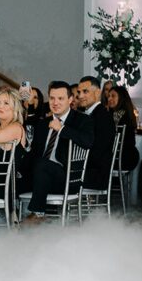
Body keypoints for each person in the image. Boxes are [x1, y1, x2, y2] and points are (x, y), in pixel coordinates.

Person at [21, 80, 94, 224]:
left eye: (60, 98)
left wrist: (61, 129)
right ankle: (9, 218)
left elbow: (88, 142)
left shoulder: (82, 120)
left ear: (70, 99)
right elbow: (34, 153)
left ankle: (37, 214)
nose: (55, 102)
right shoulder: (43, 123)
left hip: (67, 177)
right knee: (16, 174)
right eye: (52, 98)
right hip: (41, 175)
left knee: (42, 164)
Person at [75, 75, 116, 190]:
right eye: (79, 92)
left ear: (98, 93)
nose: (80, 96)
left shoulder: (103, 117)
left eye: (85, 91)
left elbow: (98, 152)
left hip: (95, 175)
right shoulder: (88, 115)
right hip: (86, 169)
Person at [107, 84, 140, 171]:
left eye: (113, 96)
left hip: (125, 158)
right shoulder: (109, 115)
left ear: (121, 98)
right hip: (118, 156)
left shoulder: (125, 117)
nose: (109, 99)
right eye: (109, 96)